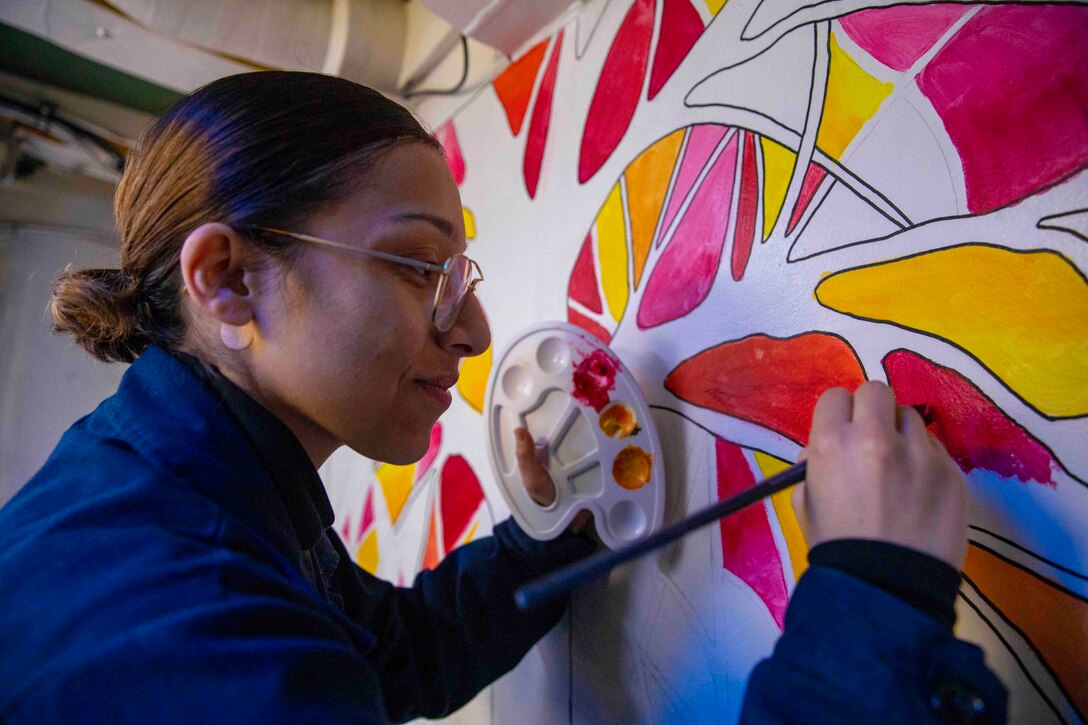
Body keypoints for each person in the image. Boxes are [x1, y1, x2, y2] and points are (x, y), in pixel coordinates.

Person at [0, 71, 1004, 723]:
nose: (475, 333)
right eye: (412, 265)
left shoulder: (179, 483)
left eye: (461, 275)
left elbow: (382, 657)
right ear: (226, 280)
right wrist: (873, 598)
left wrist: (549, 533)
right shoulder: (175, 617)